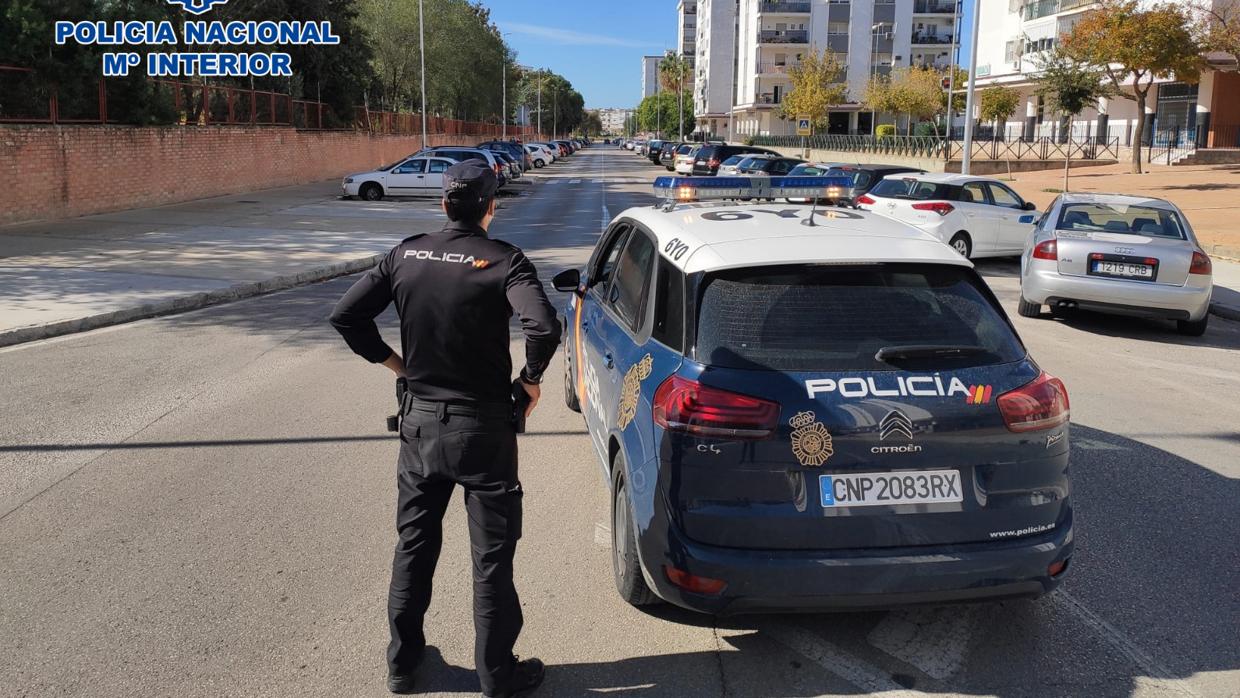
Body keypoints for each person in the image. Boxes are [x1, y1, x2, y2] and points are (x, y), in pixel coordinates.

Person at [329, 160, 560, 697]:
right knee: (491, 558)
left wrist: (398, 367)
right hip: (483, 430)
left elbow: (346, 316)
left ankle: (403, 665)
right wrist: (529, 381)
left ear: (442, 205)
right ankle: (497, 676)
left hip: (420, 426)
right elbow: (544, 326)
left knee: (413, 545)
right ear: (490, 207)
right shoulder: (505, 260)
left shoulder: (406, 254)